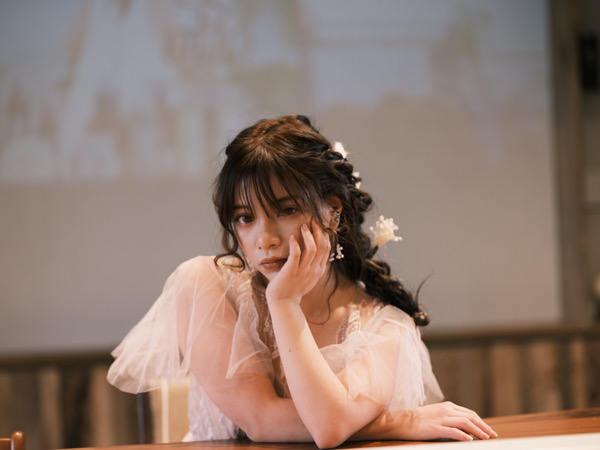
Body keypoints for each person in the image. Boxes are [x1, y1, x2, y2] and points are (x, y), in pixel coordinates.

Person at [107, 115, 496, 448]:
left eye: (286, 210)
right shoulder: (205, 284)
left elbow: (328, 428)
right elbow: (262, 421)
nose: (264, 239)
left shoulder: (385, 326)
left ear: (332, 212)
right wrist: (394, 422)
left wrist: (284, 302)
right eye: (245, 217)